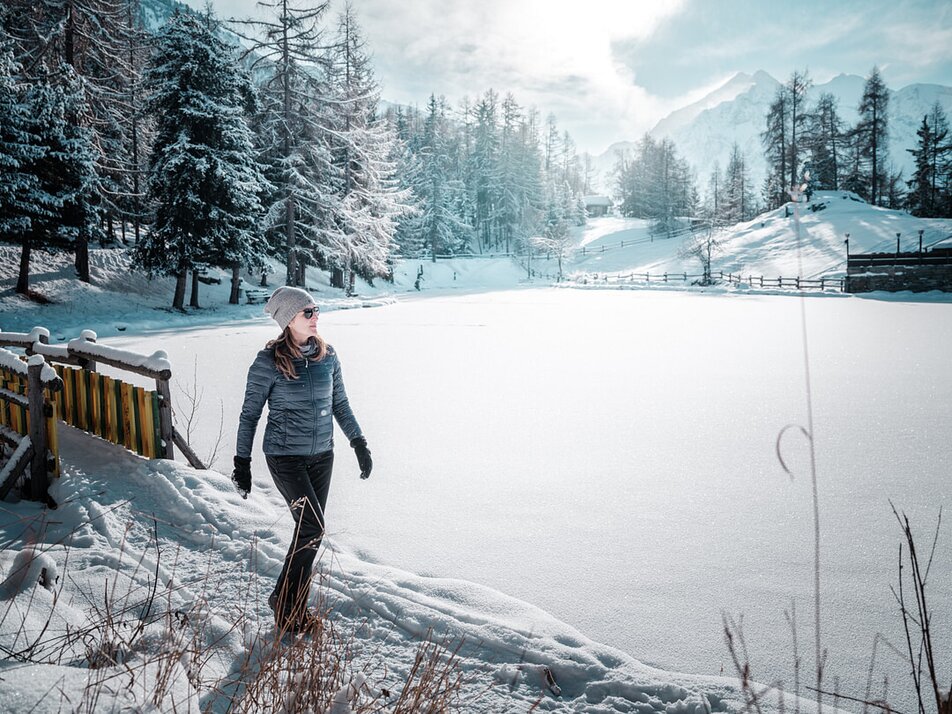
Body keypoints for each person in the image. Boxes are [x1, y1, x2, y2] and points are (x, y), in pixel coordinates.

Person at [232, 286, 373, 632]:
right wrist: (242, 462)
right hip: (285, 457)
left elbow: (340, 404)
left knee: (308, 532)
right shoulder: (267, 362)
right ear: (288, 320)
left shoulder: (328, 356)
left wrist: (359, 442)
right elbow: (250, 415)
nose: (315, 317)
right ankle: (287, 608)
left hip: (323, 456)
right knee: (313, 527)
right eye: (307, 312)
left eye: (316, 309)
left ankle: (289, 604)